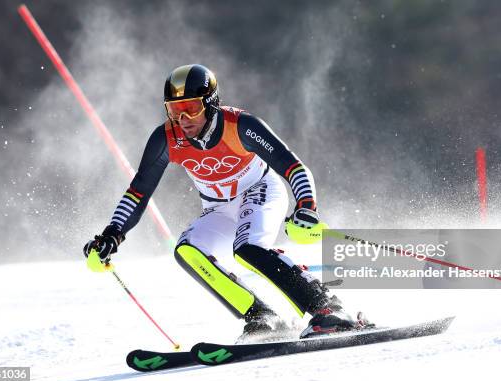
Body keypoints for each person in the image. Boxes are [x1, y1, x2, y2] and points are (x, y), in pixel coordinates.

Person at [83, 64, 369, 339]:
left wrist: (306, 206)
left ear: (211, 103)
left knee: (247, 248)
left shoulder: (240, 126)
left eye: (191, 108)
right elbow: (139, 191)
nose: (183, 120)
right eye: (174, 110)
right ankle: (262, 317)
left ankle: (329, 307)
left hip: (260, 190)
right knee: (187, 252)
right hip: (218, 208)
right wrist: (112, 235)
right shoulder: (166, 138)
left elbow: (293, 166)